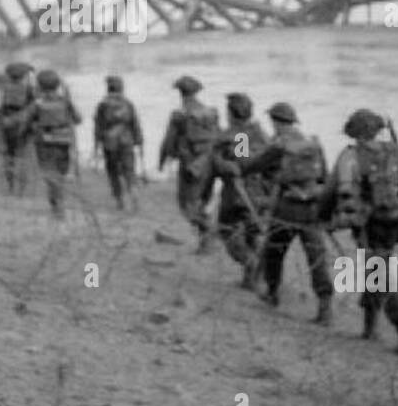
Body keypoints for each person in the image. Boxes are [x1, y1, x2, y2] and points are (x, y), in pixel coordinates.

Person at [321, 108, 398, 354]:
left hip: (370, 223)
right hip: (397, 222)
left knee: (378, 277)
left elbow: (329, 192)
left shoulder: (350, 156)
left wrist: (323, 217)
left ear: (354, 133)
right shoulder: (393, 151)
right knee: (376, 269)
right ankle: (370, 329)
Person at [235, 102, 334, 315]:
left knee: (274, 252)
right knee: (316, 257)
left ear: (275, 122)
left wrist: (240, 139)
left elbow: (249, 165)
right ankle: (325, 306)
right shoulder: (313, 143)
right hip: (312, 209)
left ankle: (272, 294)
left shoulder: (279, 145)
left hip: (286, 208)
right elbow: (325, 178)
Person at [210, 93, 271, 290]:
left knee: (227, 230)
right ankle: (251, 277)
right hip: (259, 192)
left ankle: (251, 264)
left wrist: (220, 162)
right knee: (253, 233)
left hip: (240, 193)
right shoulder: (259, 131)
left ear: (231, 113)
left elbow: (242, 164)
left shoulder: (241, 136)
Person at [158, 76, 219, 250]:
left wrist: (161, 162)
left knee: (187, 206)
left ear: (180, 93)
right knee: (202, 201)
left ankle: (209, 233)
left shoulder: (179, 115)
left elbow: (168, 141)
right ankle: (205, 243)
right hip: (210, 164)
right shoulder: (212, 112)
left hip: (190, 166)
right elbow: (219, 137)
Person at [25, 69, 81, 218]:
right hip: (63, 142)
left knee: (50, 175)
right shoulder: (65, 101)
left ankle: (57, 205)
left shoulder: (37, 103)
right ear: (58, 85)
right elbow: (78, 119)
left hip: (44, 144)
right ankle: (59, 202)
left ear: (40, 86)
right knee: (60, 175)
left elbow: (26, 121)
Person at [94, 75, 143, 211]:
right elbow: (135, 124)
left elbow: (98, 126)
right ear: (122, 88)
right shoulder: (128, 103)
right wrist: (139, 142)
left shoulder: (102, 105)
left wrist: (96, 144)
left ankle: (120, 201)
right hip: (127, 140)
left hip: (109, 142)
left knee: (113, 171)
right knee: (129, 170)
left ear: (108, 88)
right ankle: (134, 196)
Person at [0, 61, 37, 194]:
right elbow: (34, 109)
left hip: (7, 125)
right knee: (23, 156)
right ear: (23, 76)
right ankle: (22, 188)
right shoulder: (29, 89)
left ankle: (10, 185)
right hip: (24, 126)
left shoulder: (2, 89)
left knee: (9, 155)